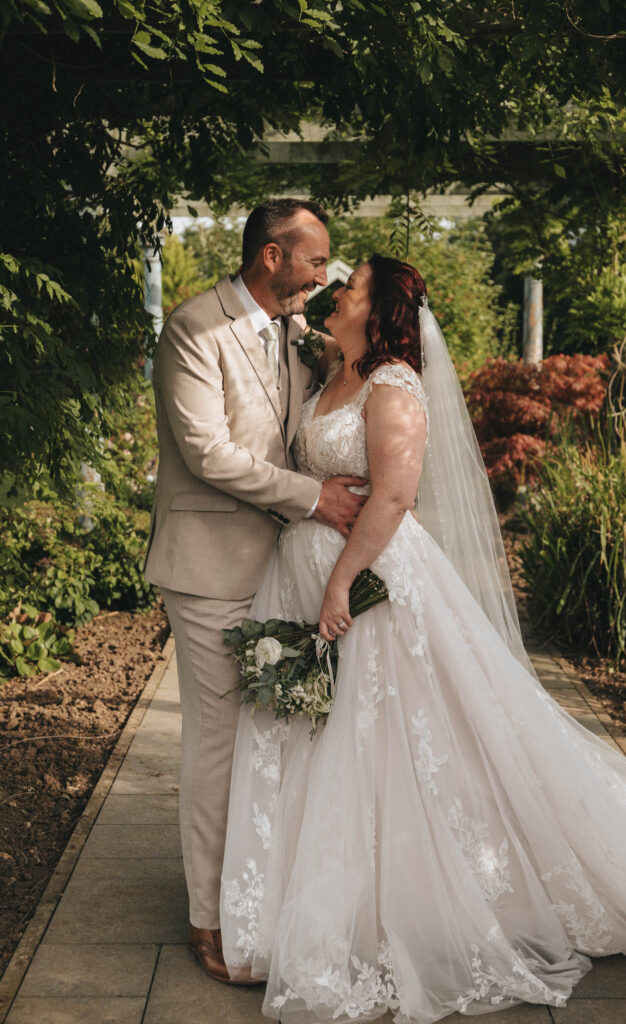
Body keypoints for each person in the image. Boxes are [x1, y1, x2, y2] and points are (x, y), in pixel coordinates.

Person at [219, 254, 626, 1019]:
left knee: (390, 739)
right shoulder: (329, 367)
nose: (337, 291)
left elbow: (395, 494)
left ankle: (402, 894)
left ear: (378, 310)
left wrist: (340, 584)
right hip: (302, 574)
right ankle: (309, 892)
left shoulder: (392, 384)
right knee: (313, 733)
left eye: (353, 285)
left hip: (368, 583)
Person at [143, 199, 367, 984]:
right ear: (272, 256)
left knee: (275, 735)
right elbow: (206, 452)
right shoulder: (192, 328)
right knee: (218, 743)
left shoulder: (296, 334)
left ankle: (260, 896)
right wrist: (312, 498)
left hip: (284, 566)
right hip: (209, 567)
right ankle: (209, 916)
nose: (323, 275)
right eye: (313, 260)